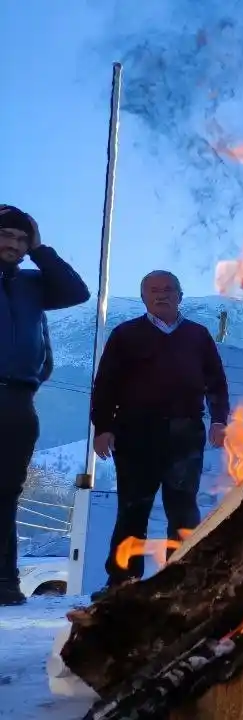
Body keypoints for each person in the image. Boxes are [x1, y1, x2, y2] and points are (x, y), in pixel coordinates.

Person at [91, 271, 230, 593]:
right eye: (153, 290)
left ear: (180, 295)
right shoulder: (126, 335)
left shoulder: (198, 335)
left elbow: (216, 382)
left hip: (185, 434)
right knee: (132, 510)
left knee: (182, 510)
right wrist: (103, 427)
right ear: (144, 298)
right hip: (135, 435)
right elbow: (106, 385)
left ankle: (182, 583)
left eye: (168, 290)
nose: (161, 295)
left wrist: (219, 420)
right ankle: (122, 582)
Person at [0, 205, 91, 606]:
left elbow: (77, 292)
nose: (12, 244)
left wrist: (40, 249)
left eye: (20, 239)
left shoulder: (34, 284)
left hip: (18, 399)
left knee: (5, 492)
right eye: (6, 235)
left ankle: (4, 581)